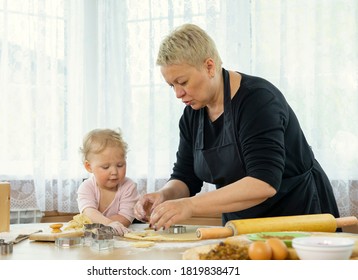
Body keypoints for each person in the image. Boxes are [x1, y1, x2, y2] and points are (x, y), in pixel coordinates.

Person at [134, 23, 340, 231]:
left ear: (209, 66)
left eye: (183, 82)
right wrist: (164, 195)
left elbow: (263, 183)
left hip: (297, 215)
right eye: (172, 85)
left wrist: (189, 206)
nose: (178, 93)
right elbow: (185, 176)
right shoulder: (192, 115)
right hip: (241, 225)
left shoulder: (258, 101)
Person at [77, 128, 139, 236]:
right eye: (106, 167)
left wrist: (103, 225)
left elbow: (125, 219)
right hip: (94, 241)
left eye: (120, 165)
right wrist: (109, 224)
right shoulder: (86, 187)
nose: (114, 172)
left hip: (122, 240)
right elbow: (88, 213)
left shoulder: (129, 187)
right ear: (89, 166)